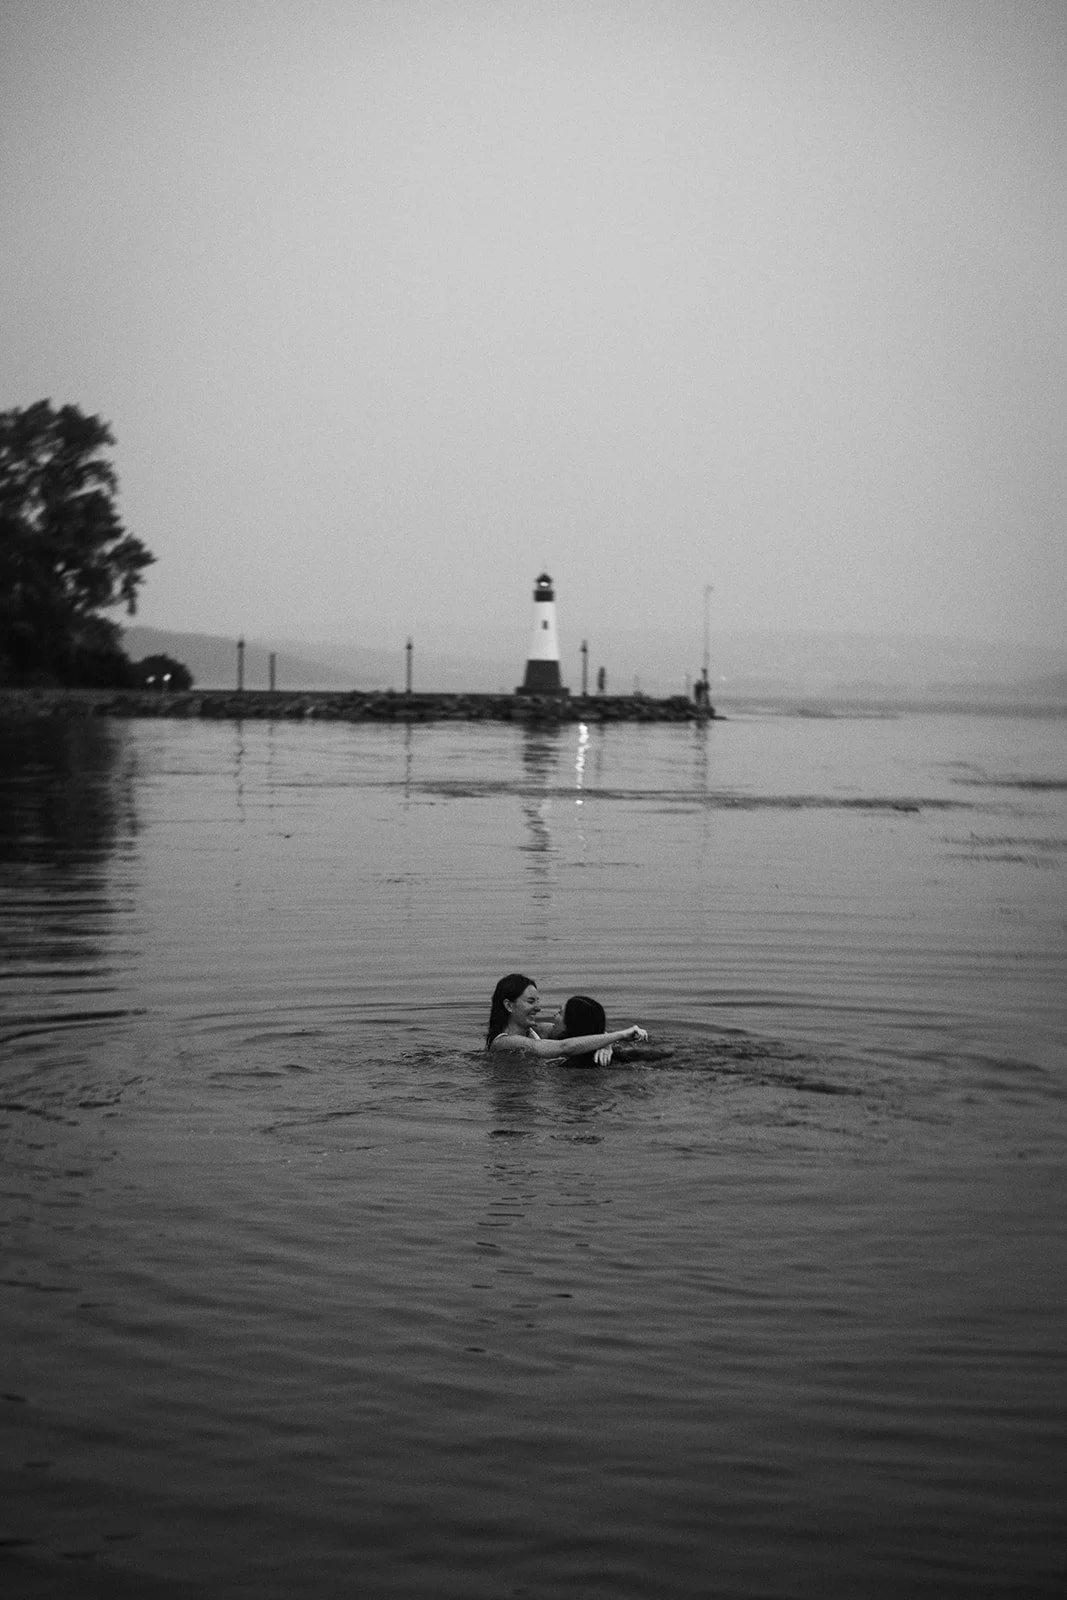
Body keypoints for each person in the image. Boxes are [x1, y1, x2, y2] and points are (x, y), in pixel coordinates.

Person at [485, 974, 647, 1060]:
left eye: (538, 1001)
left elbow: (584, 1030)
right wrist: (620, 1035)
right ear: (509, 1005)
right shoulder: (503, 1042)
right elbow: (564, 1047)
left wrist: (606, 1046)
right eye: (531, 1001)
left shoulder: (539, 1030)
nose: (538, 1008)